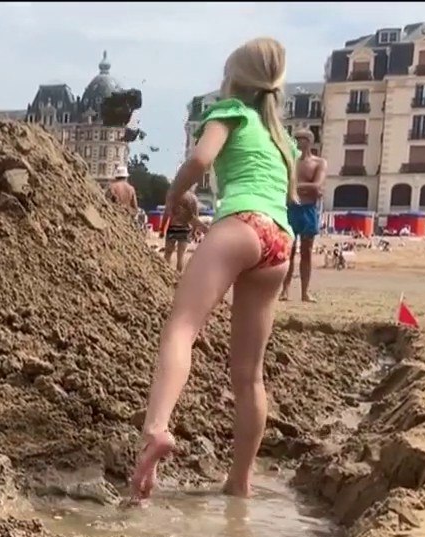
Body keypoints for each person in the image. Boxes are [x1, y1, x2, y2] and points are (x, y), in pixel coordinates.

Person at [130, 37, 297, 501]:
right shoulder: (282, 139)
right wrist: (208, 225)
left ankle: (157, 428)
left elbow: (202, 160)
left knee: (181, 329)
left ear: (235, 81)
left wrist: (172, 195)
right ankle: (239, 481)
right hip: (277, 243)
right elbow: (270, 203)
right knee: (249, 375)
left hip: (240, 225)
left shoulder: (230, 112)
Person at [280, 128, 326, 302]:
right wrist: (308, 187)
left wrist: (295, 186)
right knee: (288, 252)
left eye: (302, 139)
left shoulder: (318, 162)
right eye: (296, 138)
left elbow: (317, 185)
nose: (298, 142)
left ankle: (304, 292)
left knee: (307, 252)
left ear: (310, 141)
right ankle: (284, 290)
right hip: (291, 208)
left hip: (308, 209)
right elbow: (285, 183)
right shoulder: (290, 162)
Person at [162, 187, 205, 273]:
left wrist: (162, 228)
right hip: (185, 229)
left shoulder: (174, 196)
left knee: (168, 254)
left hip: (173, 227)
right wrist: (194, 231)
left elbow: (167, 213)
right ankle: (178, 277)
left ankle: (165, 275)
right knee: (180, 256)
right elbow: (195, 216)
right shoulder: (193, 198)